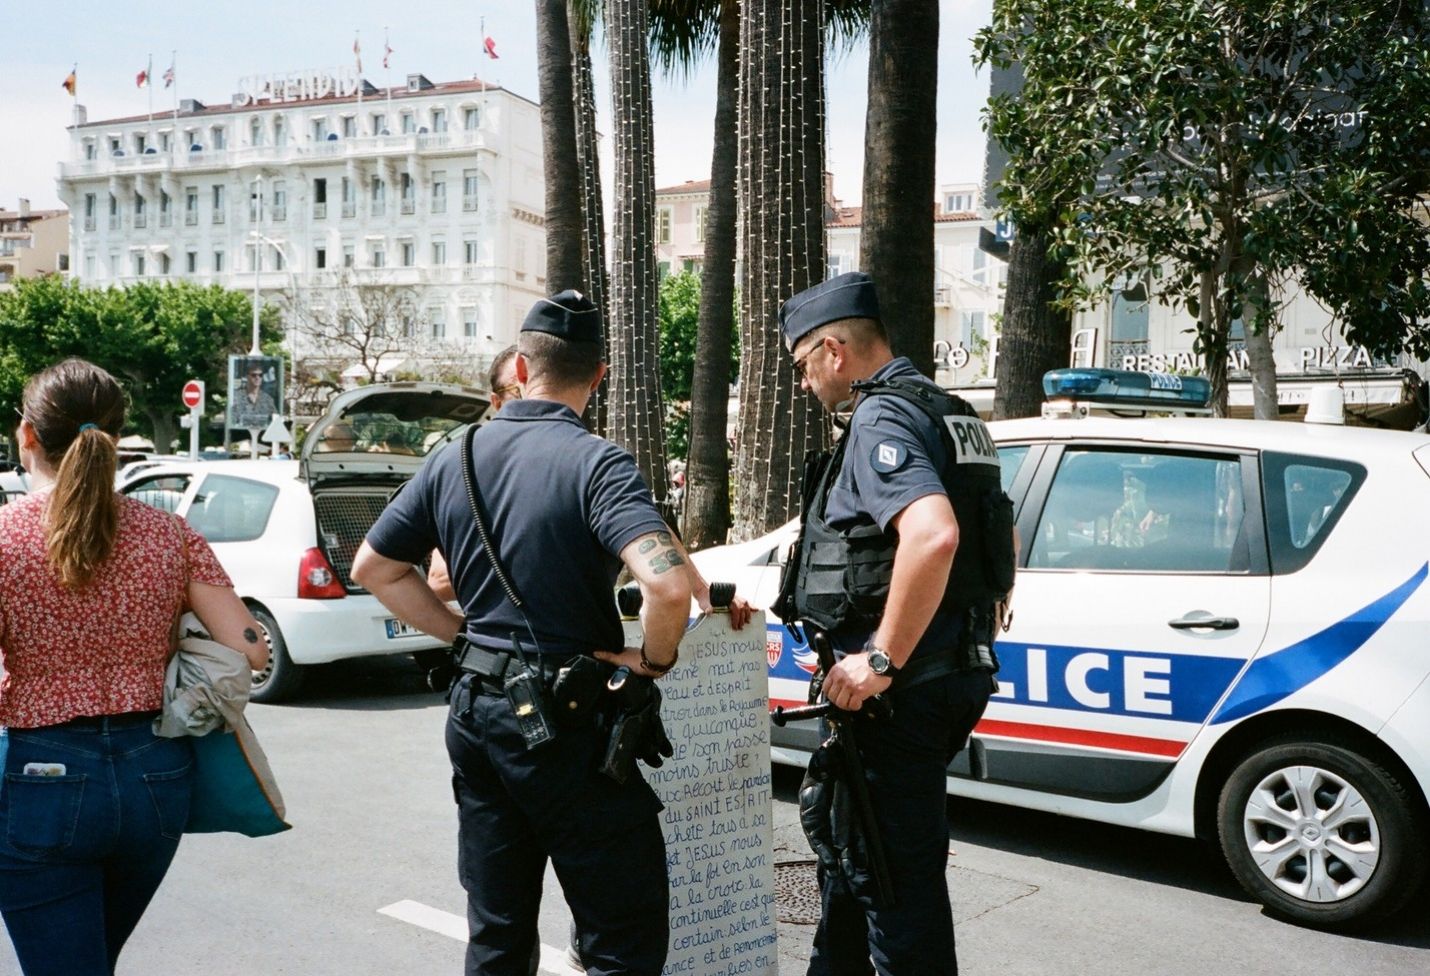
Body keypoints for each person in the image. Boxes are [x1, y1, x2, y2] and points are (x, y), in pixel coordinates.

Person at [351, 291, 690, 976]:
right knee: (621, 936)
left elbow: (375, 567)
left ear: (520, 368)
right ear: (599, 377)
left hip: (480, 714)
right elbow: (669, 585)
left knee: (498, 932)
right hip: (571, 726)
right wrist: (652, 659)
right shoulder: (598, 463)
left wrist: (460, 635)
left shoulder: (457, 456)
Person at [0, 358, 269, 976]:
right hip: (158, 774)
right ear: (115, 439)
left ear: (28, 436)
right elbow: (252, 648)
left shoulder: (6, 536)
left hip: (43, 774)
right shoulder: (169, 534)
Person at [778, 272, 1005, 975]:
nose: (805, 382)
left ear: (835, 351)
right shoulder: (950, 409)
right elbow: (999, 529)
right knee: (854, 863)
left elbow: (934, 536)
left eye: (803, 364)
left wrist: (879, 660)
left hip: (894, 696)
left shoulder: (881, 416)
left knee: (895, 889)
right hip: (949, 673)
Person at [427, 345, 521, 601]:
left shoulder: (577, 462)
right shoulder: (461, 467)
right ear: (496, 402)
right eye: (518, 392)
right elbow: (439, 581)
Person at [233, 362, 278, 430]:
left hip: (262, 436)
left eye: (260, 375)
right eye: (254, 375)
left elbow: (275, 420)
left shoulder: (268, 399)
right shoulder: (236, 397)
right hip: (240, 435)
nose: (257, 378)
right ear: (247, 376)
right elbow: (231, 420)